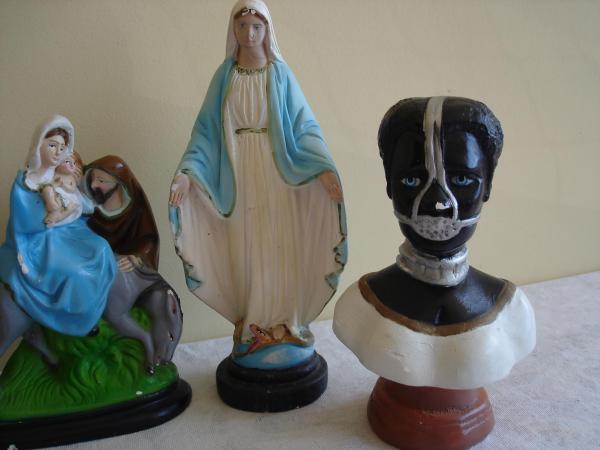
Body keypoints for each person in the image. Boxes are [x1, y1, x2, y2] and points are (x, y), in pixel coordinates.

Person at [169, 0, 347, 369]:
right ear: (232, 30)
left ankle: (286, 323)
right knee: (246, 249)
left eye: (256, 26)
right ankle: (252, 327)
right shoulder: (225, 77)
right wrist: (188, 173)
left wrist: (323, 168)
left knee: (279, 244)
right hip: (238, 176)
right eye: (242, 26)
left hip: (277, 173)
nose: (249, 34)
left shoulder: (279, 74)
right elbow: (205, 133)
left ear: (267, 30)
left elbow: (304, 125)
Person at [333, 97, 536, 390]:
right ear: (389, 185)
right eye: (412, 181)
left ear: (488, 185)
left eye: (462, 179)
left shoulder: (512, 310)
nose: (440, 203)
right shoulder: (358, 306)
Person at [0, 115, 117, 336]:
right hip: (38, 240)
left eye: (62, 148)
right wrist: (65, 212)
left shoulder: (60, 174)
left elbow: (79, 202)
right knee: (78, 272)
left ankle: (92, 312)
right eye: (52, 145)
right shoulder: (26, 181)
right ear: (39, 145)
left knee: (102, 248)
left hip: (69, 231)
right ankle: (74, 319)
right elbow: (29, 221)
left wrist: (71, 207)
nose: (57, 152)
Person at [84, 155, 160, 271]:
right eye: (92, 178)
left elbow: (148, 241)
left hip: (120, 267)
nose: (93, 185)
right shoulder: (87, 209)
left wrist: (137, 257)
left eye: (101, 180)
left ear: (119, 183)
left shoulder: (136, 211)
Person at [42, 152, 93, 226]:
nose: (72, 165)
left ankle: (60, 214)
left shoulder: (70, 178)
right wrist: (55, 185)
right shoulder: (54, 174)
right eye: (68, 162)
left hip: (67, 197)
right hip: (54, 195)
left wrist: (64, 186)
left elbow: (72, 189)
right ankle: (54, 212)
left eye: (74, 163)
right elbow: (49, 184)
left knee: (61, 203)